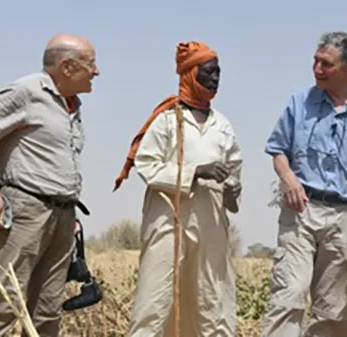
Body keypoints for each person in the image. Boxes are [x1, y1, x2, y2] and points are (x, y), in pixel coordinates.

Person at [261, 31, 347, 337]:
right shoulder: (299, 102)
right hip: (302, 210)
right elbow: (277, 149)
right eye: (315, 61)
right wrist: (288, 178)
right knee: (290, 293)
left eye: (326, 64)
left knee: (334, 307)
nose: (317, 69)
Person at [0, 34, 99, 337]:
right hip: (27, 211)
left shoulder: (72, 106)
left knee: (47, 310)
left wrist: (69, 211)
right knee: (5, 303)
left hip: (63, 216)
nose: (97, 71)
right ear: (67, 66)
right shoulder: (25, 92)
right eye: (91, 63)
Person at [113, 41, 243, 337]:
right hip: (169, 221)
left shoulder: (222, 126)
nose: (215, 79)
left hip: (211, 224)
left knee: (212, 299)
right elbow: (146, 164)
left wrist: (233, 192)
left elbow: (235, 174)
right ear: (189, 74)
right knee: (156, 299)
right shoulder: (168, 120)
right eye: (209, 72)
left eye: (219, 72)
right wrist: (196, 172)